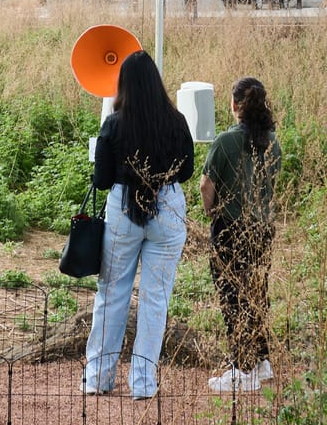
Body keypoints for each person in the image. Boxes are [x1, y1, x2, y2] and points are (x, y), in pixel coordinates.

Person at [83, 51, 194, 400]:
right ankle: (143, 384)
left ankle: (98, 378)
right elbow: (187, 171)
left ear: (124, 85)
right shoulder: (176, 120)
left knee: (112, 293)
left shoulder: (114, 124)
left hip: (124, 208)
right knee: (155, 300)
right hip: (168, 207)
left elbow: (101, 180)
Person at [203, 78, 282, 393]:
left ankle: (242, 368)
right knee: (258, 292)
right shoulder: (272, 141)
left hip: (231, 229)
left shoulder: (225, 141)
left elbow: (206, 185)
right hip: (263, 228)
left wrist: (212, 211)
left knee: (233, 297)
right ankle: (262, 361)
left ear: (235, 105)